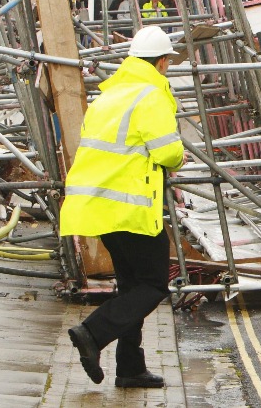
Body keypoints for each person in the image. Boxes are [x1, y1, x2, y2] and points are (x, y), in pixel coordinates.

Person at [61, 25, 184, 388]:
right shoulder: (151, 96)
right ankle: (92, 333)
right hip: (133, 210)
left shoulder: (109, 96)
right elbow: (169, 152)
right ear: (162, 62)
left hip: (103, 208)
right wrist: (176, 159)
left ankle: (130, 367)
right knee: (153, 285)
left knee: (132, 288)